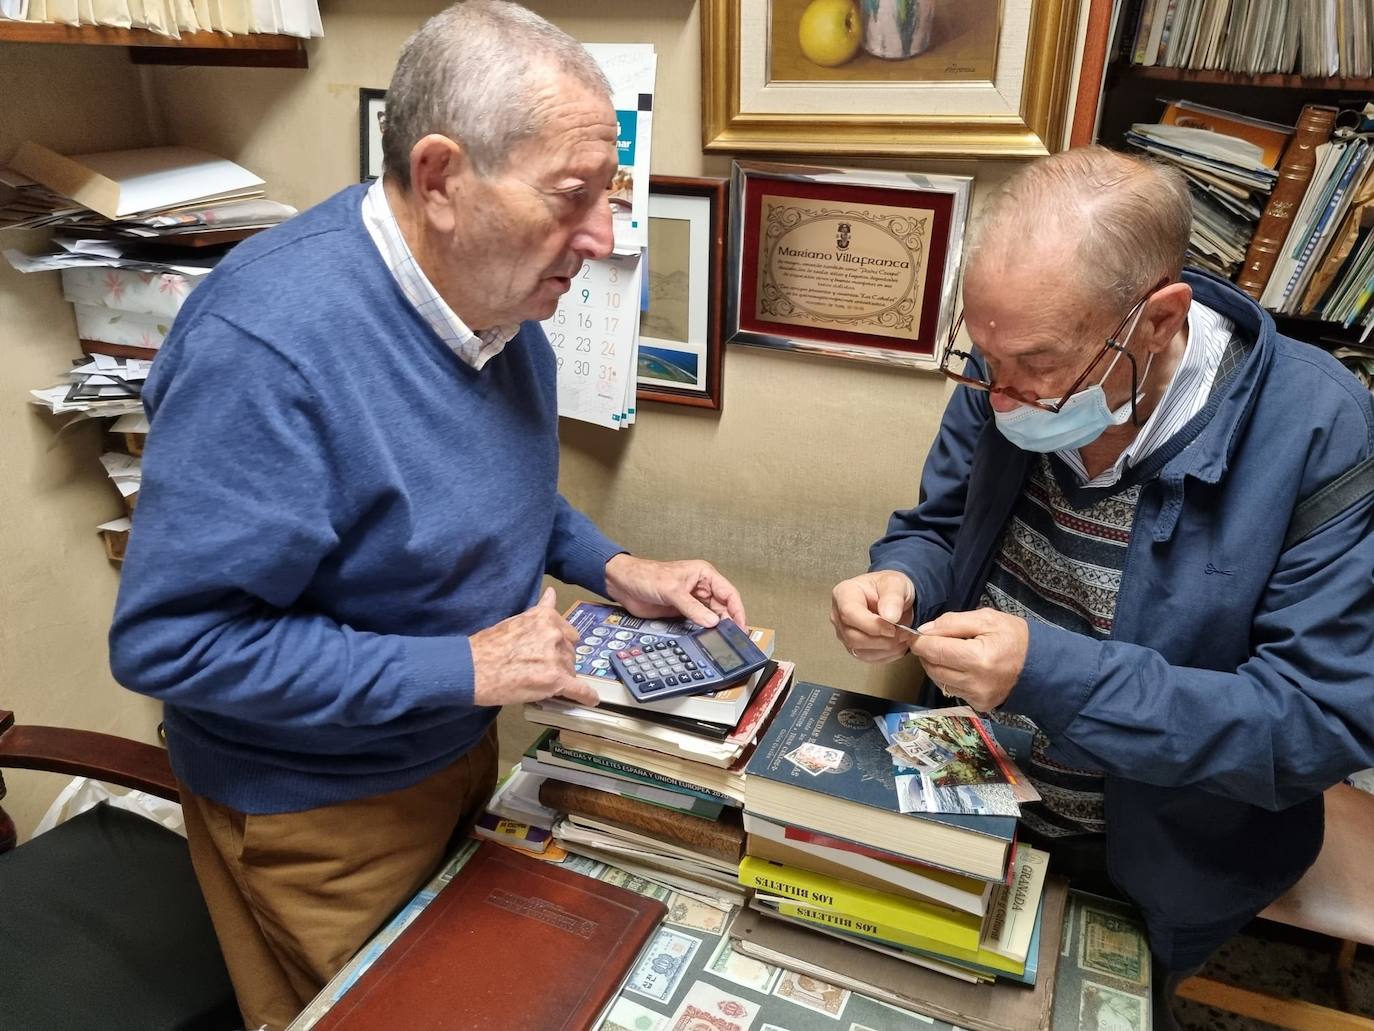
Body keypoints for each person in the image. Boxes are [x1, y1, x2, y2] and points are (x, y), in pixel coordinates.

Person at [108, 4, 745, 1028]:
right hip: (316, 805)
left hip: (458, 748)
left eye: (609, 195)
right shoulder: (266, 349)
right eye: (573, 197)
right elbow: (174, 643)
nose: (603, 235)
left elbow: (484, 487)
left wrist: (613, 564)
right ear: (442, 178)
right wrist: (466, 667)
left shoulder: (500, 295)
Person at [831, 146, 1374, 1027]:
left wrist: (1049, 671)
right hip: (966, 782)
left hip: (1153, 854)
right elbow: (940, 527)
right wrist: (900, 579)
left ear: (1159, 319)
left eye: (1042, 369)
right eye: (985, 361)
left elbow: (1312, 725)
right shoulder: (1012, 360)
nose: (1003, 399)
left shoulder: (1321, 429)